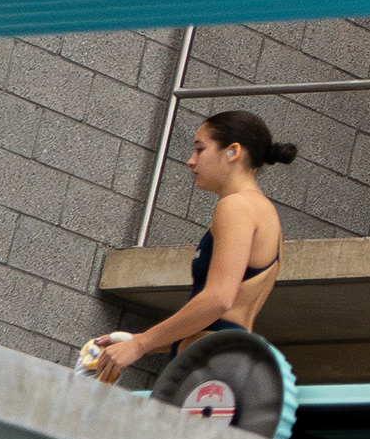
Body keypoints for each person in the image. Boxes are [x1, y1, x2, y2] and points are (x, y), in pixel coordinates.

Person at [85, 110, 296, 389]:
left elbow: (219, 299)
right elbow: (222, 319)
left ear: (233, 152)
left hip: (210, 365)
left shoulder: (236, 206)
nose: (190, 160)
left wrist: (140, 345)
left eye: (200, 149)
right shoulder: (264, 212)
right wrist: (139, 341)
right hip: (225, 361)